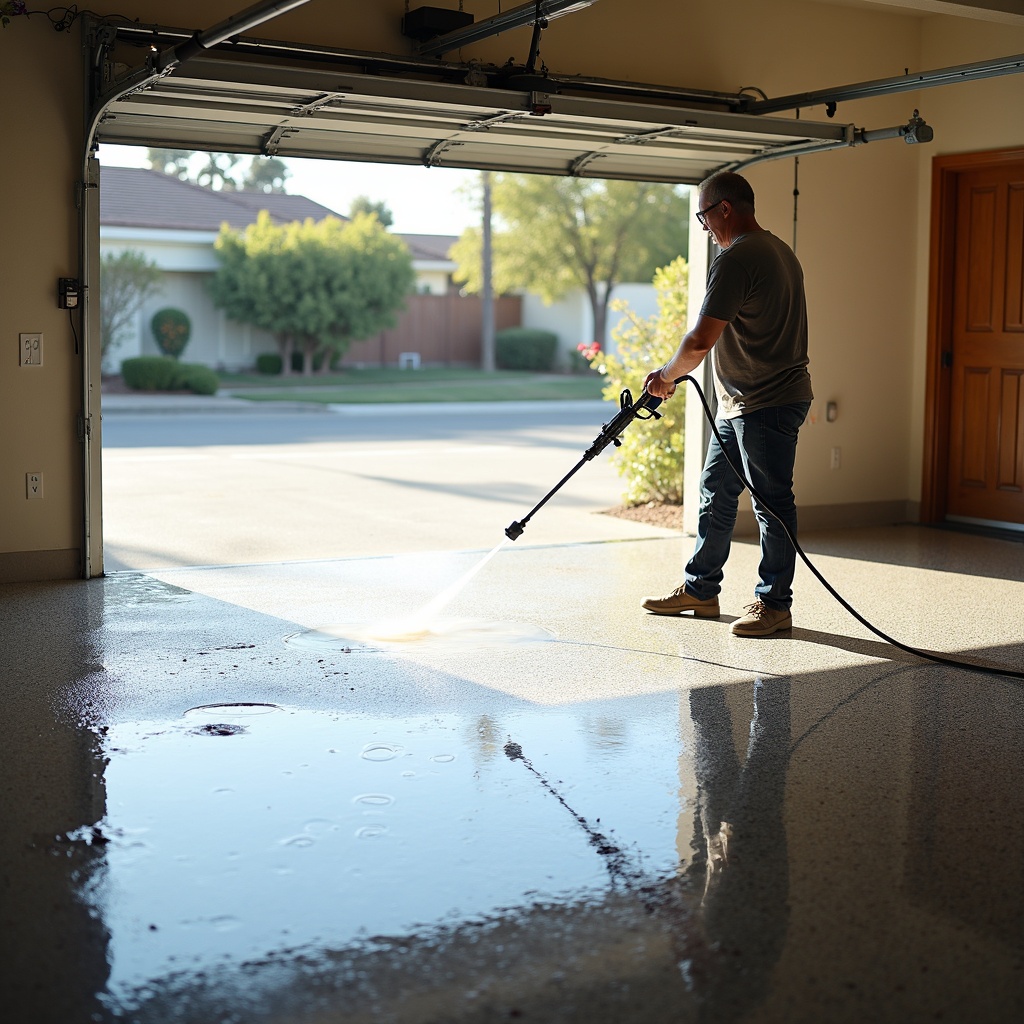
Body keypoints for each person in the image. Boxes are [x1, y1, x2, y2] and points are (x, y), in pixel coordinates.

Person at [641, 171, 812, 637]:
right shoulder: (780, 250)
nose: (703, 228)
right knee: (716, 490)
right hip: (743, 401)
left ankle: (775, 603)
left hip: (766, 401)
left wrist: (666, 377)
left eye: (703, 217)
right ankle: (701, 588)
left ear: (724, 209)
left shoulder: (737, 258)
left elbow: (700, 341)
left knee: (771, 503)